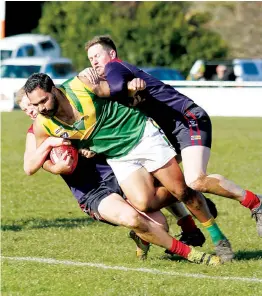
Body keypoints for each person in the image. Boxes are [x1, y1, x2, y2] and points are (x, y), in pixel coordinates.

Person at [23, 72, 231, 262]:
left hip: (141, 136)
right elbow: (37, 162)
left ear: (55, 90)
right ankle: (189, 196)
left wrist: (131, 86)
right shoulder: (43, 123)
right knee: (145, 203)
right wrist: (56, 167)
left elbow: (117, 85)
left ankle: (218, 239)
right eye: (35, 105)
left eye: (44, 101)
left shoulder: (81, 84)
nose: (41, 108)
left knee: (180, 191)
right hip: (117, 156)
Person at [84, 35, 262, 240]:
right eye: (90, 59)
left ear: (112, 54)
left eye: (97, 55)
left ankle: (255, 203)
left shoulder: (114, 67)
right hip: (169, 130)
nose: (94, 62)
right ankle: (190, 228)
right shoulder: (119, 75)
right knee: (155, 181)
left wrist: (98, 88)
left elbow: (115, 88)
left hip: (186, 118)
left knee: (196, 179)